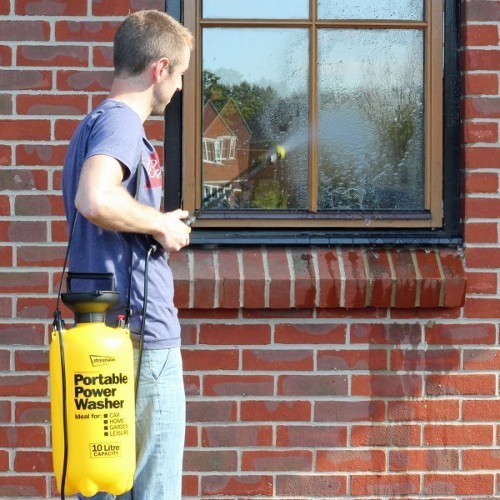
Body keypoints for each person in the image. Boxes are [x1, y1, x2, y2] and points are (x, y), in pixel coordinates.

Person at [61, 9, 194, 500]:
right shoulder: (120, 123)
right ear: (160, 68)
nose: (179, 87)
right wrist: (160, 223)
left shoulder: (93, 124)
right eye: (179, 74)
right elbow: (95, 198)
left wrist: (154, 224)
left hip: (109, 337)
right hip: (139, 341)